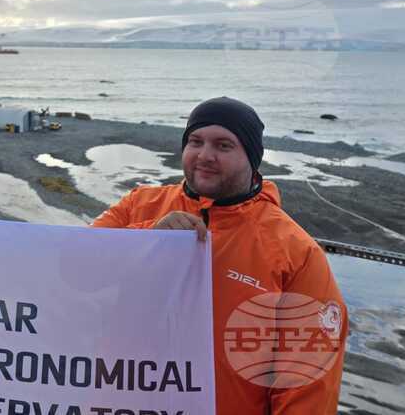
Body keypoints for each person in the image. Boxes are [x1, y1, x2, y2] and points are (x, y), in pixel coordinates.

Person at [93, 96, 347, 414]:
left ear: (252, 158)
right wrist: (150, 239)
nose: (205, 155)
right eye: (195, 142)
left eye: (223, 146)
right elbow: (72, 268)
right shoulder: (138, 205)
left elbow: (306, 381)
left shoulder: (295, 251)